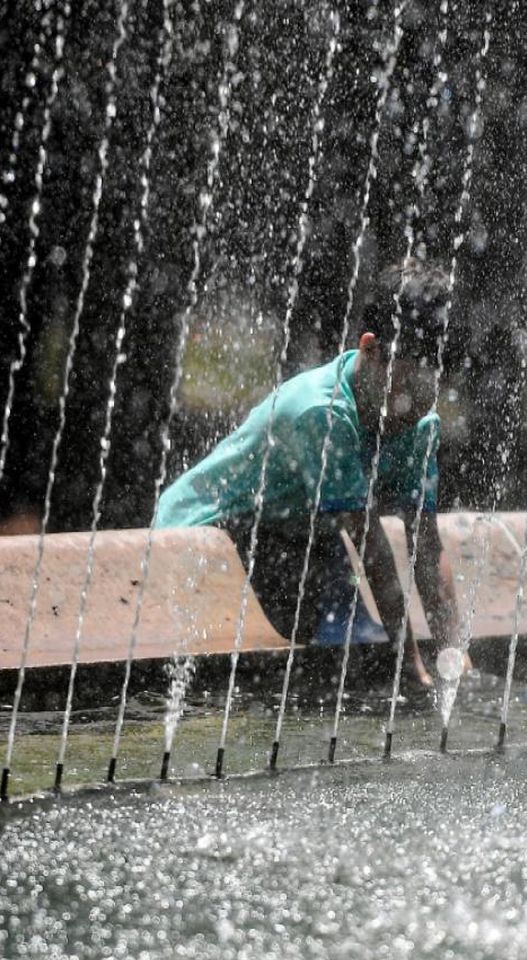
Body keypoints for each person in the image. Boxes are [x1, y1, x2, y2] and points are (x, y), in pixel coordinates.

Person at [152, 260, 467, 687]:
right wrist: (411, 667)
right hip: (205, 531)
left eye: (431, 386)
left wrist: (453, 652)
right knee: (236, 682)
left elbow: (426, 545)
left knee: (341, 655)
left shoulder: (419, 423)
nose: (413, 405)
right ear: (370, 349)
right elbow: (368, 541)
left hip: (289, 537)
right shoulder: (323, 413)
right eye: (404, 385)